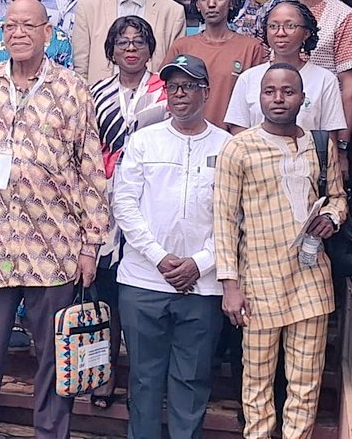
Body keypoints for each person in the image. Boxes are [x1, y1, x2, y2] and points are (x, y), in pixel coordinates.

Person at [0, 0, 108, 439]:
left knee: (55, 365)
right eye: (10, 25)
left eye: (28, 25)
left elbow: (90, 169)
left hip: (53, 250)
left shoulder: (72, 89)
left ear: (47, 32)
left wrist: (91, 244)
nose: (18, 33)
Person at [214, 63, 347, 439]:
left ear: (302, 100)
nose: (278, 98)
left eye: (288, 92)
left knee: (305, 384)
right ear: (259, 98)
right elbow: (223, 220)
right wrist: (230, 284)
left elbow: (337, 199)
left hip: (311, 283)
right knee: (256, 384)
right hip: (258, 284)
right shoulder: (238, 148)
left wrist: (332, 219)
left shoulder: (320, 145)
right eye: (270, 91)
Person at [114, 53, 231, 439]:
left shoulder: (228, 146)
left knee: (192, 381)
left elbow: (235, 215)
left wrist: (200, 262)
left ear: (206, 91)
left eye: (189, 86)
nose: (180, 94)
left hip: (202, 286)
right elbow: (124, 204)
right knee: (144, 382)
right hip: (144, 281)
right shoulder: (145, 141)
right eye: (173, 87)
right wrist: (160, 257)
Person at [87, 15, 168, 410]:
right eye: (122, 42)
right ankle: (104, 377)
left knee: (139, 302)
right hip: (102, 204)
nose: (131, 48)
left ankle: (143, 382)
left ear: (151, 48)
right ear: (111, 50)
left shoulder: (166, 91)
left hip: (148, 202)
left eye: (139, 41)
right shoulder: (95, 92)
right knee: (106, 299)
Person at [225, 0, 346, 142]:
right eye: (273, 26)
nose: (280, 33)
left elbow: (329, 139)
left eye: (290, 26)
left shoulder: (325, 80)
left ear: (306, 33)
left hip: (306, 161)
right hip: (258, 162)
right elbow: (238, 133)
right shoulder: (248, 78)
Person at [285, 0, 352, 154]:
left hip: (321, 131)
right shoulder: (279, 14)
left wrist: (342, 145)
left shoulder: (344, 16)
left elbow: (350, 89)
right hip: (279, 127)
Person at [162, 0, 266, 130]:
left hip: (234, 142)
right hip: (184, 139)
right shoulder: (182, 46)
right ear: (197, 4)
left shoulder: (251, 48)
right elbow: (163, 96)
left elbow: (258, 104)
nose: (211, 4)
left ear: (231, 2)